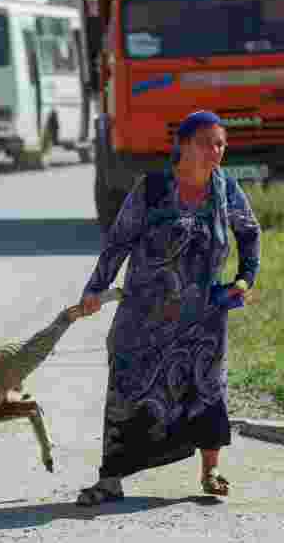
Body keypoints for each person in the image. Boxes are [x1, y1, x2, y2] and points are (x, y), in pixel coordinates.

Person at [75, 110, 262, 506]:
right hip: (144, 315)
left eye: (221, 144)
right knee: (127, 390)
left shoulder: (225, 189)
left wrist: (244, 280)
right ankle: (111, 478)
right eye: (208, 143)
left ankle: (210, 471)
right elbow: (118, 242)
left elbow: (249, 233)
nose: (217, 151)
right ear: (184, 145)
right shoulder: (153, 189)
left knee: (207, 390)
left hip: (203, 317)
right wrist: (96, 288)